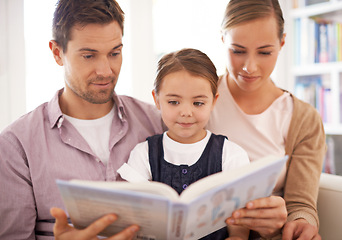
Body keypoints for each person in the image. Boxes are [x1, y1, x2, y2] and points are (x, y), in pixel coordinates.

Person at [0, 0, 165, 239]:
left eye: (114, 53)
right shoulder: (17, 146)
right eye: (89, 56)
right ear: (57, 53)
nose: (106, 70)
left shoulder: (156, 121)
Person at [206, 0, 326, 239]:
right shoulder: (198, 100)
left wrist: (300, 222)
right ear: (222, 39)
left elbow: (300, 205)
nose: (250, 67)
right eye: (238, 51)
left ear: (282, 42)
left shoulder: (303, 119)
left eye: (264, 52)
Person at [117, 48, 250, 239]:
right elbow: (133, 217)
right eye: (173, 102)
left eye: (198, 103)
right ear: (157, 99)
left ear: (213, 101)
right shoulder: (143, 153)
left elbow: (239, 228)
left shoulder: (231, 154)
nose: (186, 112)